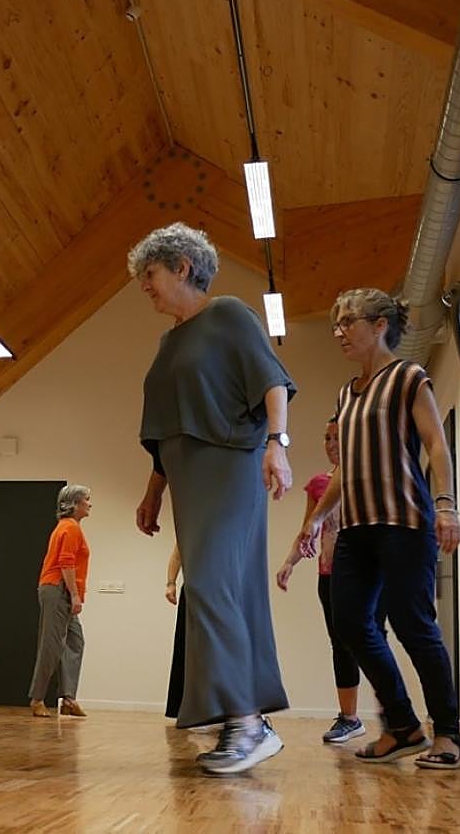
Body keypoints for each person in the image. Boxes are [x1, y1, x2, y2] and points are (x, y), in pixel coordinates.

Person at [130, 222, 295, 776]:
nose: (144, 287)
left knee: (215, 588)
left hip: (229, 467)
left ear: (182, 266)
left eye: (149, 275)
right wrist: (155, 489)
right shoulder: (168, 341)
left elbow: (271, 380)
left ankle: (249, 724)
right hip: (187, 477)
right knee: (217, 593)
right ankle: (240, 722)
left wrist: (277, 443)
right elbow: (167, 425)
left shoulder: (228, 315)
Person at [300, 288, 460, 770]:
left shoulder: (409, 377)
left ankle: (450, 736)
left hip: (405, 522)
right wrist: (312, 522)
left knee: (414, 625)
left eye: (348, 321)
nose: (338, 331)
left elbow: (436, 444)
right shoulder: (344, 394)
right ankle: (403, 726)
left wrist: (447, 506)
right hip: (356, 529)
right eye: (335, 323)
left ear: (380, 325)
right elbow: (346, 471)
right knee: (351, 624)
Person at [277, 419, 385, 743]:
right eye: (326, 437)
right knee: (341, 644)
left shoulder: (368, 478)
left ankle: (393, 716)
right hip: (330, 575)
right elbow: (307, 530)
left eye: (337, 437)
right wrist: (289, 563)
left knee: (374, 640)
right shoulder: (318, 485)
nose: (331, 443)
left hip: (367, 574)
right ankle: (349, 719)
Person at [28, 484, 92, 719]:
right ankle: (37, 699)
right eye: (87, 499)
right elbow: (66, 563)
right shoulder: (69, 528)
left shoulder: (71, 527)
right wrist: (75, 595)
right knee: (51, 645)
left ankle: (68, 698)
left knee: (75, 641)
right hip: (58, 589)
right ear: (74, 504)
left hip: (62, 590)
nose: (90, 504)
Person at [164, 543, 184, 721]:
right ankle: (183, 707)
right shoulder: (190, 527)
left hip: (221, 590)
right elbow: (177, 554)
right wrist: (171, 583)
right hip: (194, 591)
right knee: (186, 650)